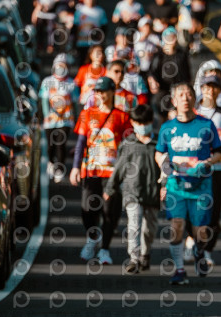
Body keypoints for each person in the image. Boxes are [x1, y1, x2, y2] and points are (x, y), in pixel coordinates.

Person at [154, 82, 221, 285]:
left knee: (200, 230)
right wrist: (165, 165)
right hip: (176, 185)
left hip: (201, 186)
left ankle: (199, 251)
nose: (185, 98)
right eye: (181, 95)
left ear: (195, 99)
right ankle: (179, 269)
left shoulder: (206, 125)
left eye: (188, 94)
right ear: (174, 101)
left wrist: (207, 163)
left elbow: (219, 153)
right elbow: (159, 153)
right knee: (176, 225)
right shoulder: (167, 128)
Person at [71, 76, 133, 265]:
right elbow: (81, 143)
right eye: (97, 91)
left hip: (112, 172)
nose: (100, 94)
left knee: (109, 211)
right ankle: (92, 238)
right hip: (91, 170)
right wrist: (75, 167)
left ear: (112, 92)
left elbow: (129, 144)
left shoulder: (122, 116)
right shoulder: (87, 113)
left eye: (103, 91)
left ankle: (105, 249)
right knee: (87, 208)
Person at [184, 75, 221, 267]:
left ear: (219, 91)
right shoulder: (193, 112)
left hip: (217, 168)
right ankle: (191, 240)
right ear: (201, 89)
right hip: (194, 168)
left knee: (213, 211)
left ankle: (207, 250)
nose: (210, 91)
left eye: (214, 87)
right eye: (207, 87)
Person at [104, 104, 160, 272]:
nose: (142, 126)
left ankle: (145, 254)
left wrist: (166, 186)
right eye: (138, 123)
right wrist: (110, 187)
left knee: (149, 228)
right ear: (133, 123)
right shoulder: (128, 143)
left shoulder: (159, 143)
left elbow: (166, 167)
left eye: (145, 123)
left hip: (153, 191)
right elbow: (119, 167)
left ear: (151, 122)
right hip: (132, 191)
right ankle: (134, 259)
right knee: (134, 224)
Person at [39, 53, 79, 183]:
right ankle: (51, 162)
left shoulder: (71, 83)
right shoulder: (47, 82)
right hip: (50, 120)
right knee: (51, 145)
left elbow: (75, 103)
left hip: (65, 120)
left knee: (60, 144)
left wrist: (77, 119)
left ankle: (60, 170)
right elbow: (44, 100)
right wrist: (46, 115)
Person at [148, 26, 191, 122]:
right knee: (160, 115)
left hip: (178, 90)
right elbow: (152, 72)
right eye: (169, 37)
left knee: (177, 116)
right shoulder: (159, 55)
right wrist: (153, 82)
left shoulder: (181, 55)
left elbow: (187, 75)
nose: (172, 39)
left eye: (173, 36)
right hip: (163, 90)